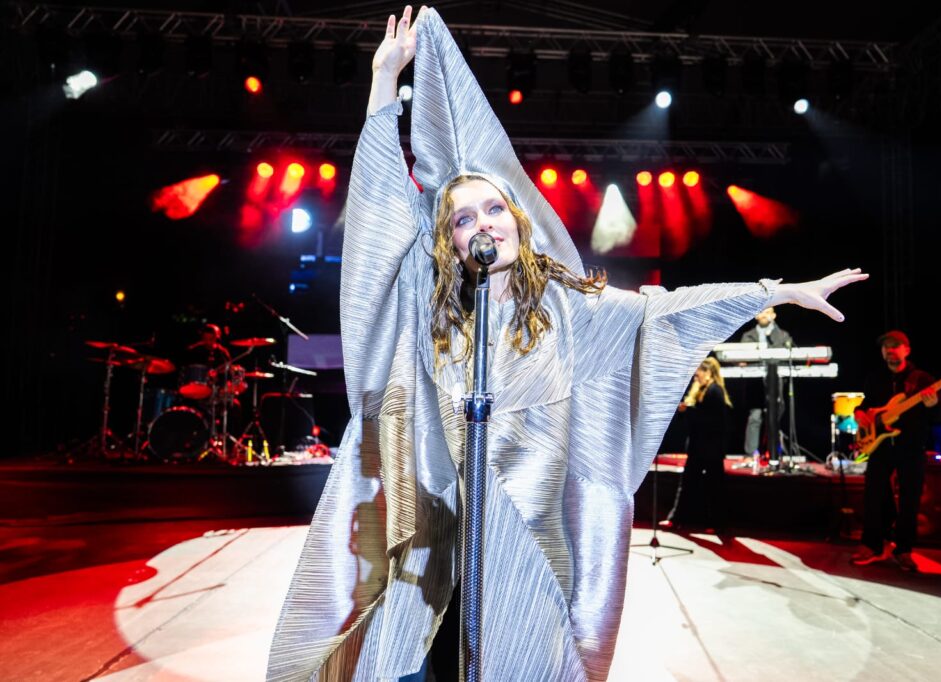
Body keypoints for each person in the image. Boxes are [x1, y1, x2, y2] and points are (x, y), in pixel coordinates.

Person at [267, 7, 868, 681]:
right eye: (462, 218)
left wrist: (776, 291)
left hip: (530, 550)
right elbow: (379, 212)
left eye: (495, 208)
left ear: (519, 221)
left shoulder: (572, 310)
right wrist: (384, 83)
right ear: (448, 241)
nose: (482, 224)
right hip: (438, 545)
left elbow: (665, 312)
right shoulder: (427, 313)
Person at [850, 330, 941, 571]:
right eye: (886, 346)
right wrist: (859, 413)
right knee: (873, 495)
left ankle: (904, 550)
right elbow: (866, 405)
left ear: (906, 350)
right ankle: (871, 545)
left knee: (910, 499)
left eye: (895, 345)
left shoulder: (921, 379)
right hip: (880, 445)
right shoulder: (875, 377)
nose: (890, 350)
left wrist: (934, 405)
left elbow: (939, 416)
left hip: (911, 446)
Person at [660, 357, 732, 532]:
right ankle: (677, 519)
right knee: (689, 484)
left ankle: (716, 523)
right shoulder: (703, 391)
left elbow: (713, 421)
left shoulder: (714, 391)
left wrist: (689, 411)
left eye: (698, 372)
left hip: (710, 448)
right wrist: (686, 412)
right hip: (700, 447)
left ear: (708, 372)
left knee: (713, 486)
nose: (695, 376)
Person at [738, 307, 793, 455]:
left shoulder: (782, 335)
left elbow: (787, 354)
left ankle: (772, 452)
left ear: (773, 315)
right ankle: (751, 454)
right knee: (755, 416)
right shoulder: (748, 335)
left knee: (774, 416)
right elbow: (741, 357)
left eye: (768, 312)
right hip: (755, 382)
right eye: (762, 311)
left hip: (775, 382)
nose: (764, 314)